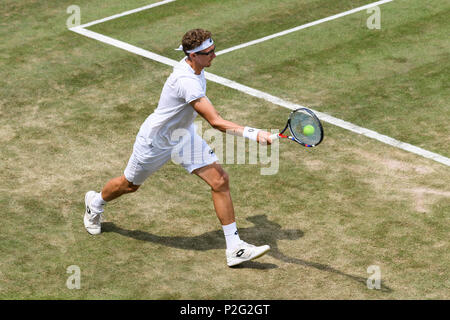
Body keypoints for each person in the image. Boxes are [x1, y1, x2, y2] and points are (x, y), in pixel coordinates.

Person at [84, 28, 273, 267]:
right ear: (192, 56)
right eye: (208, 53)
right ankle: (95, 203)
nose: (214, 55)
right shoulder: (187, 81)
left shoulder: (197, 67)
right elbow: (215, 121)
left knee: (220, 181)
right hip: (156, 141)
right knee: (129, 186)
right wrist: (255, 133)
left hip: (183, 136)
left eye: (214, 49)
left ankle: (234, 248)